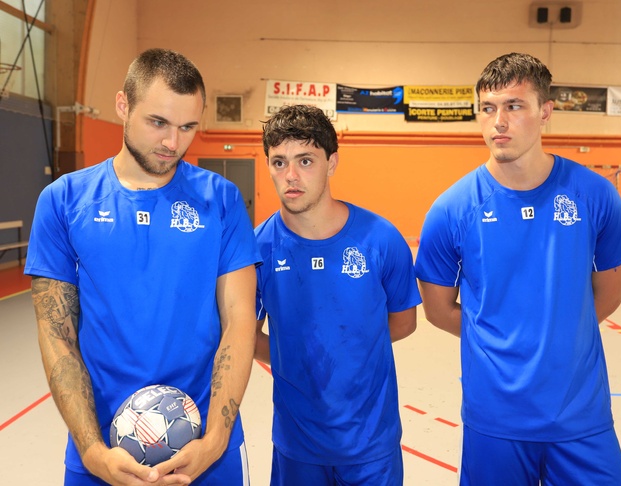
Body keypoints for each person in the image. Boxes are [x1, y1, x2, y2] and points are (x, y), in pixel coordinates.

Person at [25, 48, 260, 485]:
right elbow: (57, 334)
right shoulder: (64, 201)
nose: (173, 143)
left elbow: (239, 320)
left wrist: (215, 440)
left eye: (188, 127)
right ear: (123, 105)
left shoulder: (222, 200)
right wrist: (92, 451)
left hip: (206, 450)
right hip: (102, 451)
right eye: (158, 122)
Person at [415, 52, 621, 485]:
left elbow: (610, 294)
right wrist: (502, 340)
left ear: (545, 112)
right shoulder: (451, 209)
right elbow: (438, 310)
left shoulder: (594, 195)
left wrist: (555, 333)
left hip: (580, 415)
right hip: (494, 419)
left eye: (514, 106)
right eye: (488, 108)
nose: (498, 121)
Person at [254, 104, 421, 485]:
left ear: (331, 163)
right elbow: (245, 333)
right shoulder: (258, 249)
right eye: (279, 162)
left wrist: (349, 349)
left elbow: (404, 322)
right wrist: (295, 355)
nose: (291, 176)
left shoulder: (380, 239)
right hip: (297, 446)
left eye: (305, 161)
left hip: (372, 446)